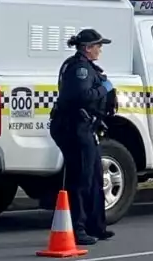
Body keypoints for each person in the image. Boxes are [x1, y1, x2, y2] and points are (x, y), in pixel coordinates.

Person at [50, 28, 116, 245]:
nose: (100, 50)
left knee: (94, 175)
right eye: (98, 46)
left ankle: (95, 226)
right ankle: (77, 228)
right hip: (74, 127)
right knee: (81, 178)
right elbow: (82, 97)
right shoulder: (80, 69)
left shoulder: (84, 66)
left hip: (84, 127)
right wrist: (105, 89)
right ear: (87, 48)